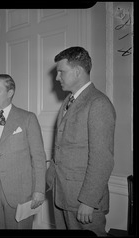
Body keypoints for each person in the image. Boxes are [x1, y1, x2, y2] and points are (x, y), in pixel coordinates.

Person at [46, 46, 116, 236]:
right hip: (62, 194)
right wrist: (48, 179)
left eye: (61, 72)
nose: (57, 77)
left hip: (83, 201)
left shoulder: (98, 103)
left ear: (77, 72)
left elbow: (102, 158)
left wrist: (88, 201)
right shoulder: (69, 101)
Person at [0, 74, 46, 229]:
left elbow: (38, 157)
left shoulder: (27, 118)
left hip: (20, 194)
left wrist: (39, 189)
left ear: (10, 92)